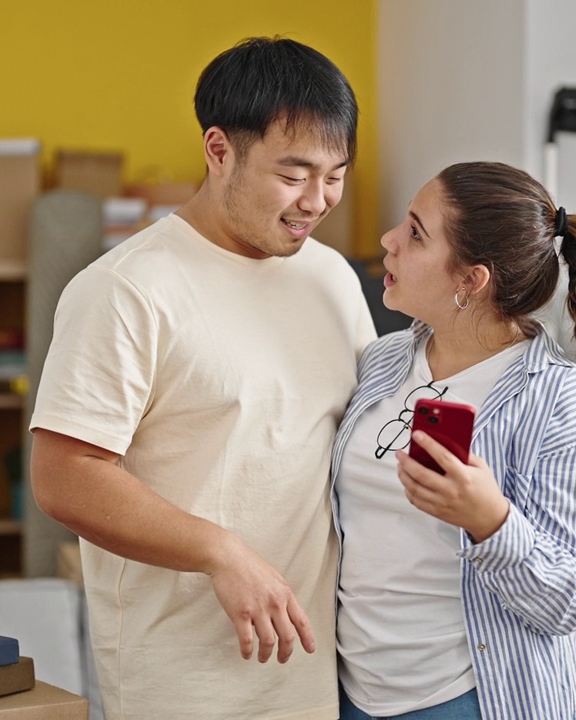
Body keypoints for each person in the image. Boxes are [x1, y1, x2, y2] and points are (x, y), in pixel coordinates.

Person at [29, 37, 376, 720]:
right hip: (182, 683)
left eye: (335, 174)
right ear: (219, 151)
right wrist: (221, 552)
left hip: (314, 677)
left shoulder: (333, 279)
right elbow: (63, 474)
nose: (318, 200)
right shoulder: (126, 290)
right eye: (294, 173)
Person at [331, 161, 576, 720]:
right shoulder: (384, 361)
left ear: (470, 280)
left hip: (472, 700)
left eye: (414, 232)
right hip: (352, 694)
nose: (388, 241)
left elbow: (573, 600)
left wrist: (491, 521)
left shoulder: (559, 404)